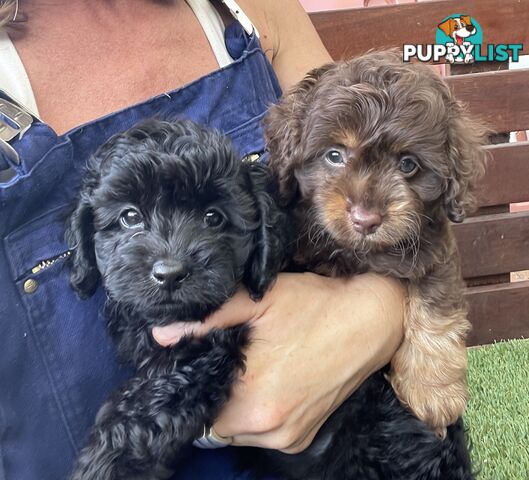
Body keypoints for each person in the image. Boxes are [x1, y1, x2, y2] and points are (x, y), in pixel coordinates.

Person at [0, 0, 404, 478]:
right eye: (129, 217)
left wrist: (380, 311)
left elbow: (396, 217)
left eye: (214, 216)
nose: (168, 260)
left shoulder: (257, 9)